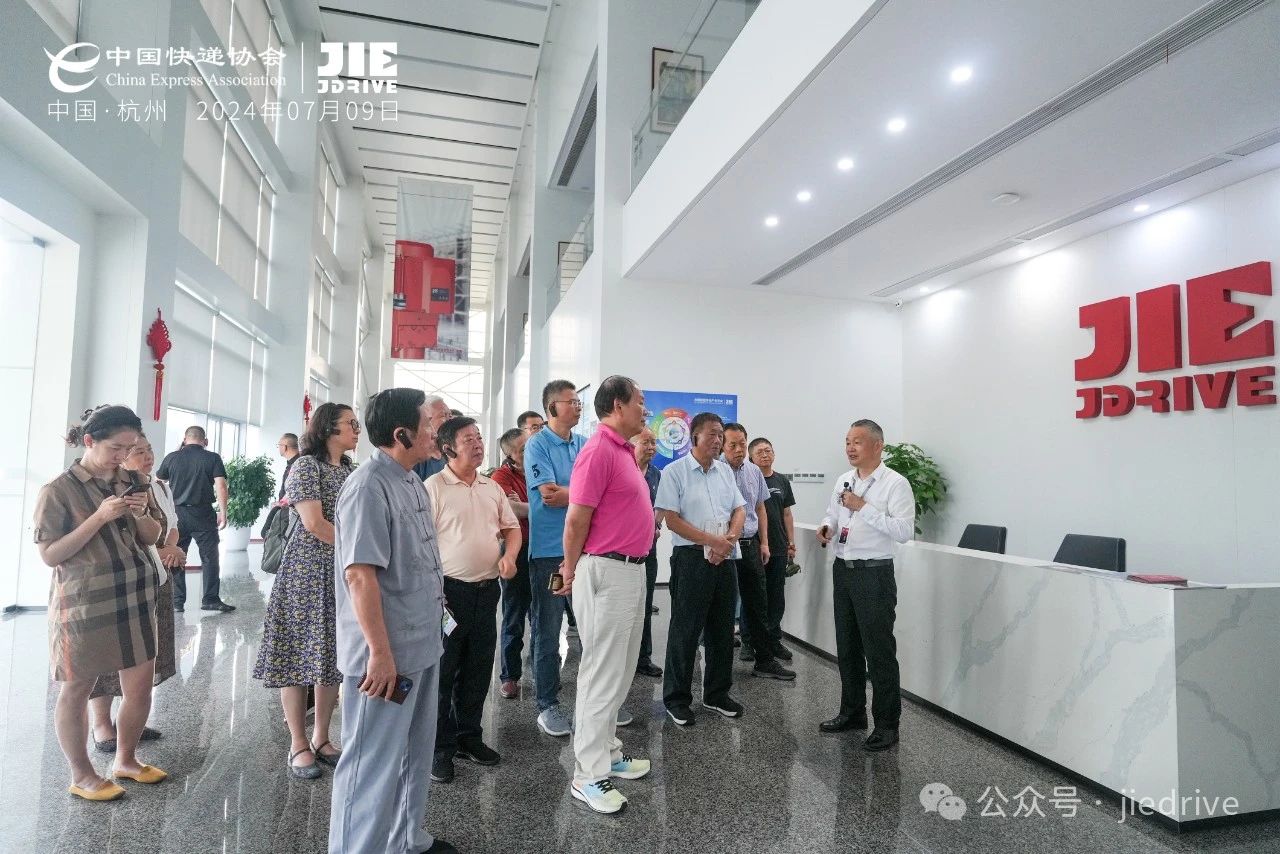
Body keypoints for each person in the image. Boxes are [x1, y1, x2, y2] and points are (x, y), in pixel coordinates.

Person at [328, 388, 455, 854]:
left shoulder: (411, 480)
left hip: (422, 643)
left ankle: (405, 839)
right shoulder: (367, 486)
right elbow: (360, 576)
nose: (435, 431)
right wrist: (380, 654)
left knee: (414, 754)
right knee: (370, 764)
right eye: (427, 423)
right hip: (386, 656)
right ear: (401, 434)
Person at [34, 405, 168, 801]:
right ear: (89, 441)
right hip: (84, 603)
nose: (123, 456)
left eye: (130, 448)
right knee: (77, 690)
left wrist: (141, 515)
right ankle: (82, 775)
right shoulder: (58, 490)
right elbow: (50, 555)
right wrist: (99, 517)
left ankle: (126, 759)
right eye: (116, 448)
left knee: (139, 687)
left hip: (135, 595)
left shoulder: (134, 480)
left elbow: (152, 536)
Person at [555, 376, 656, 813]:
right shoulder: (598, 451)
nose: (645, 410)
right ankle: (587, 774)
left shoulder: (624, 451)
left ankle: (609, 752)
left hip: (632, 570)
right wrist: (569, 569)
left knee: (621, 669)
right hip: (606, 571)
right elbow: (576, 519)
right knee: (600, 673)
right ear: (617, 405)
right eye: (640, 402)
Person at [253, 403, 359, 779]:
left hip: (341, 571)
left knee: (330, 655)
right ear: (328, 428)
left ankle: (321, 737)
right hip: (306, 571)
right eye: (350, 423)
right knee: (297, 657)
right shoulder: (305, 466)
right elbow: (314, 522)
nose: (357, 429)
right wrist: (358, 550)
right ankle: (298, 742)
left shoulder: (351, 469)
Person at [524, 380, 630, 736]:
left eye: (578, 401)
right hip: (551, 553)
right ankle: (547, 705)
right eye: (570, 401)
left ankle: (600, 701)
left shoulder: (585, 443)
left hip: (587, 550)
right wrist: (586, 493)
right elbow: (549, 495)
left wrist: (577, 493)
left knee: (593, 630)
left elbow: (596, 494)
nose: (578, 406)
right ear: (552, 408)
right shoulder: (538, 444)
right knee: (548, 629)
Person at [427, 417, 520, 785]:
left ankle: (469, 737)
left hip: (487, 591)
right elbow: (421, 544)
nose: (478, 443)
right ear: (448, 448)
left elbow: (511, 528)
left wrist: (509, 556)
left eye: (479, 437)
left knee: (479, 669)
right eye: (469, 439)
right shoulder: (434, 488)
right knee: (443, 673)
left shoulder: (490, 486)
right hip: (449, 594)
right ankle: (440, 748)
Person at [816, 419, 915, 752]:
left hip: (874, 575)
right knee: (847, 648)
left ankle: (887, 725)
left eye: (857, 441)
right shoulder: (844, 480)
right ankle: (852, 712)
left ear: (877, 445)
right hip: (843, 570)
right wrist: (827, 528)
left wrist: (864, 507)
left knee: (879, 651)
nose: (850, 447)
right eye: (847, 441)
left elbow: (904, 531)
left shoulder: (895, 484)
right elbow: (832, 514)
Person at [89, 434, 183, 753]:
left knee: (142, 657)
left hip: (155, 576)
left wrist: (171, 547)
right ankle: (101, 724)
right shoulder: (107, 488)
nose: (147, 456)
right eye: (138, 451)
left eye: (149, 450)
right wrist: (163, 548)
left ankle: (128, 722)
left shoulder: (157, 486)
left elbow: (170, 524)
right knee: (109, 657)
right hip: (119, 582)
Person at [655, 412, 747, 726]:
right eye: (712, 434)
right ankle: (677, 698)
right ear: (694, 436)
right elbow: (671, 519)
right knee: (686, 630)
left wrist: (728, 540)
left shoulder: (725, 471)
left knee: (722, 629)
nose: (718, 440)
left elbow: (739, 509)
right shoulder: (674, 471)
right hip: (691, 559)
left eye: (721, 434)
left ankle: (716, 694)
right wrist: (712, 541)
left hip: (725, 558)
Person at [723, 423, 795, 681]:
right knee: (723, 605)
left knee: (758, 604)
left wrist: (764, 542)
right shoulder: (716, 470)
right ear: (722, 445)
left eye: (742, 443)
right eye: (732, 444)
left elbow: (760, 508)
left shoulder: (753, 472)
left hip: (751, 544)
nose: (738, 449)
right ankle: (719, 666)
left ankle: (764, 660)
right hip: (724, 546)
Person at [156, 425, 234, 612]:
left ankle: (177, 601)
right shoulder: (212, 458)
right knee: (210, 557)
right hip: (203, 514)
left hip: (177, 515)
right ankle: (210, 600)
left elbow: (159, 481)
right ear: (205, 441)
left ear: (185, 439)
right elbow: (221, 486)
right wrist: (223, 512)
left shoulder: (172, 457)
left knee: (175, 555)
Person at [490, 427, 531, 699]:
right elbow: (512, 511)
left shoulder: (544, 468)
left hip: (546, 550)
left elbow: (566, 501)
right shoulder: (501, 476)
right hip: (517, 550)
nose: (530, 451)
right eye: (523, 449)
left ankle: (544, 671)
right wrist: (545, 504)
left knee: (544, 616)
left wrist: (526, 508)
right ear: (511, 455)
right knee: (514, 614)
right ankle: (510, 676)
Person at [749, 437, 797, 660]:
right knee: (754, 596)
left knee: (776, 596)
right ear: (751, 457)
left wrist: (791, 543)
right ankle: (749, 642)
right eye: (759, 452)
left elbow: (787, 513)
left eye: (768, 450)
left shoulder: (782, 481)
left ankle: (773, 640)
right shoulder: (749, 478)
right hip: (754, 546)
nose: (765, 455)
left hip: (778, 546)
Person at [630, 428, 664, 678]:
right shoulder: (624, 471)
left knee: (645, 602)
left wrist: (656, 524)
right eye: (646, 442)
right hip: (623, 549)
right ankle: (624, 659)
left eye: (654, 442)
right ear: (631, 445)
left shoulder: (656, 474)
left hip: (648, 548)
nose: (651, 447)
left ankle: (643, 657)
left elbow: (661, 505)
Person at [410, 395, 452, 481]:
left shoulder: (450, 455)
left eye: (450, 415)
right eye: (443, 415)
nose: (450, 420)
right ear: (426, 420)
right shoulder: (416, 460)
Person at [277, 432, 300, 500]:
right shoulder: (294, 463)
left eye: (279, 445)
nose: (278, 448)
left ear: (284, 447)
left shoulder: (299, 465)